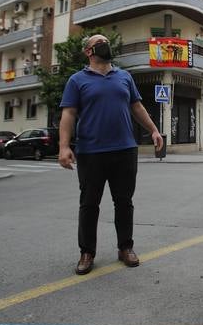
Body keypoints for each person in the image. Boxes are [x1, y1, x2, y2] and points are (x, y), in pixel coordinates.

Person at [58, 34, 163, 276]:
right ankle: (87, 252)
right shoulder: (77, 80)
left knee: (124, 202)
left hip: (125, 150)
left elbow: (137, 106)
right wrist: (64, 146)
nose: (105, 45)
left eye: (106, 41)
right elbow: (69, 114)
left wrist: (154, 130)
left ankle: (125, 248)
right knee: (89, 204)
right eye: (99, 42)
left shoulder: (124, 76)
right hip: (91, 152)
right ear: (88, 51)